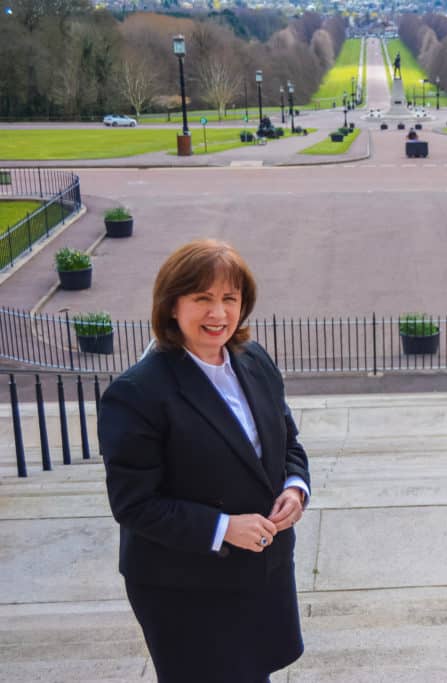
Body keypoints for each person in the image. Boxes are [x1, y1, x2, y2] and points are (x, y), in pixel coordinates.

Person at [99, 239, 311, 683]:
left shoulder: (253, 359)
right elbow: (133, 504)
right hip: (184, 587)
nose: (218, 314)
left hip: (260, 573)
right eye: (202, 299)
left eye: (229, 299)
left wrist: (295, 486)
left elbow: (287, 438)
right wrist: (223, 527)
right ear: (172, 306)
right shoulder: (137, 393)